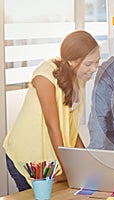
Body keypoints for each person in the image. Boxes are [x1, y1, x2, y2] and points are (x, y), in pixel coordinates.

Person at [3, 30, 100, 191]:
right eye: (88, 64)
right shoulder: (45, 75)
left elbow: (71, 130)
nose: (94, 69)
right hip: (29, 155)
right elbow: (52, 126)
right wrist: (71, 172)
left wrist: (86, 164)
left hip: (52, 159)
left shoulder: (80, 79)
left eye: (97, 62)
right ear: (70, 61)